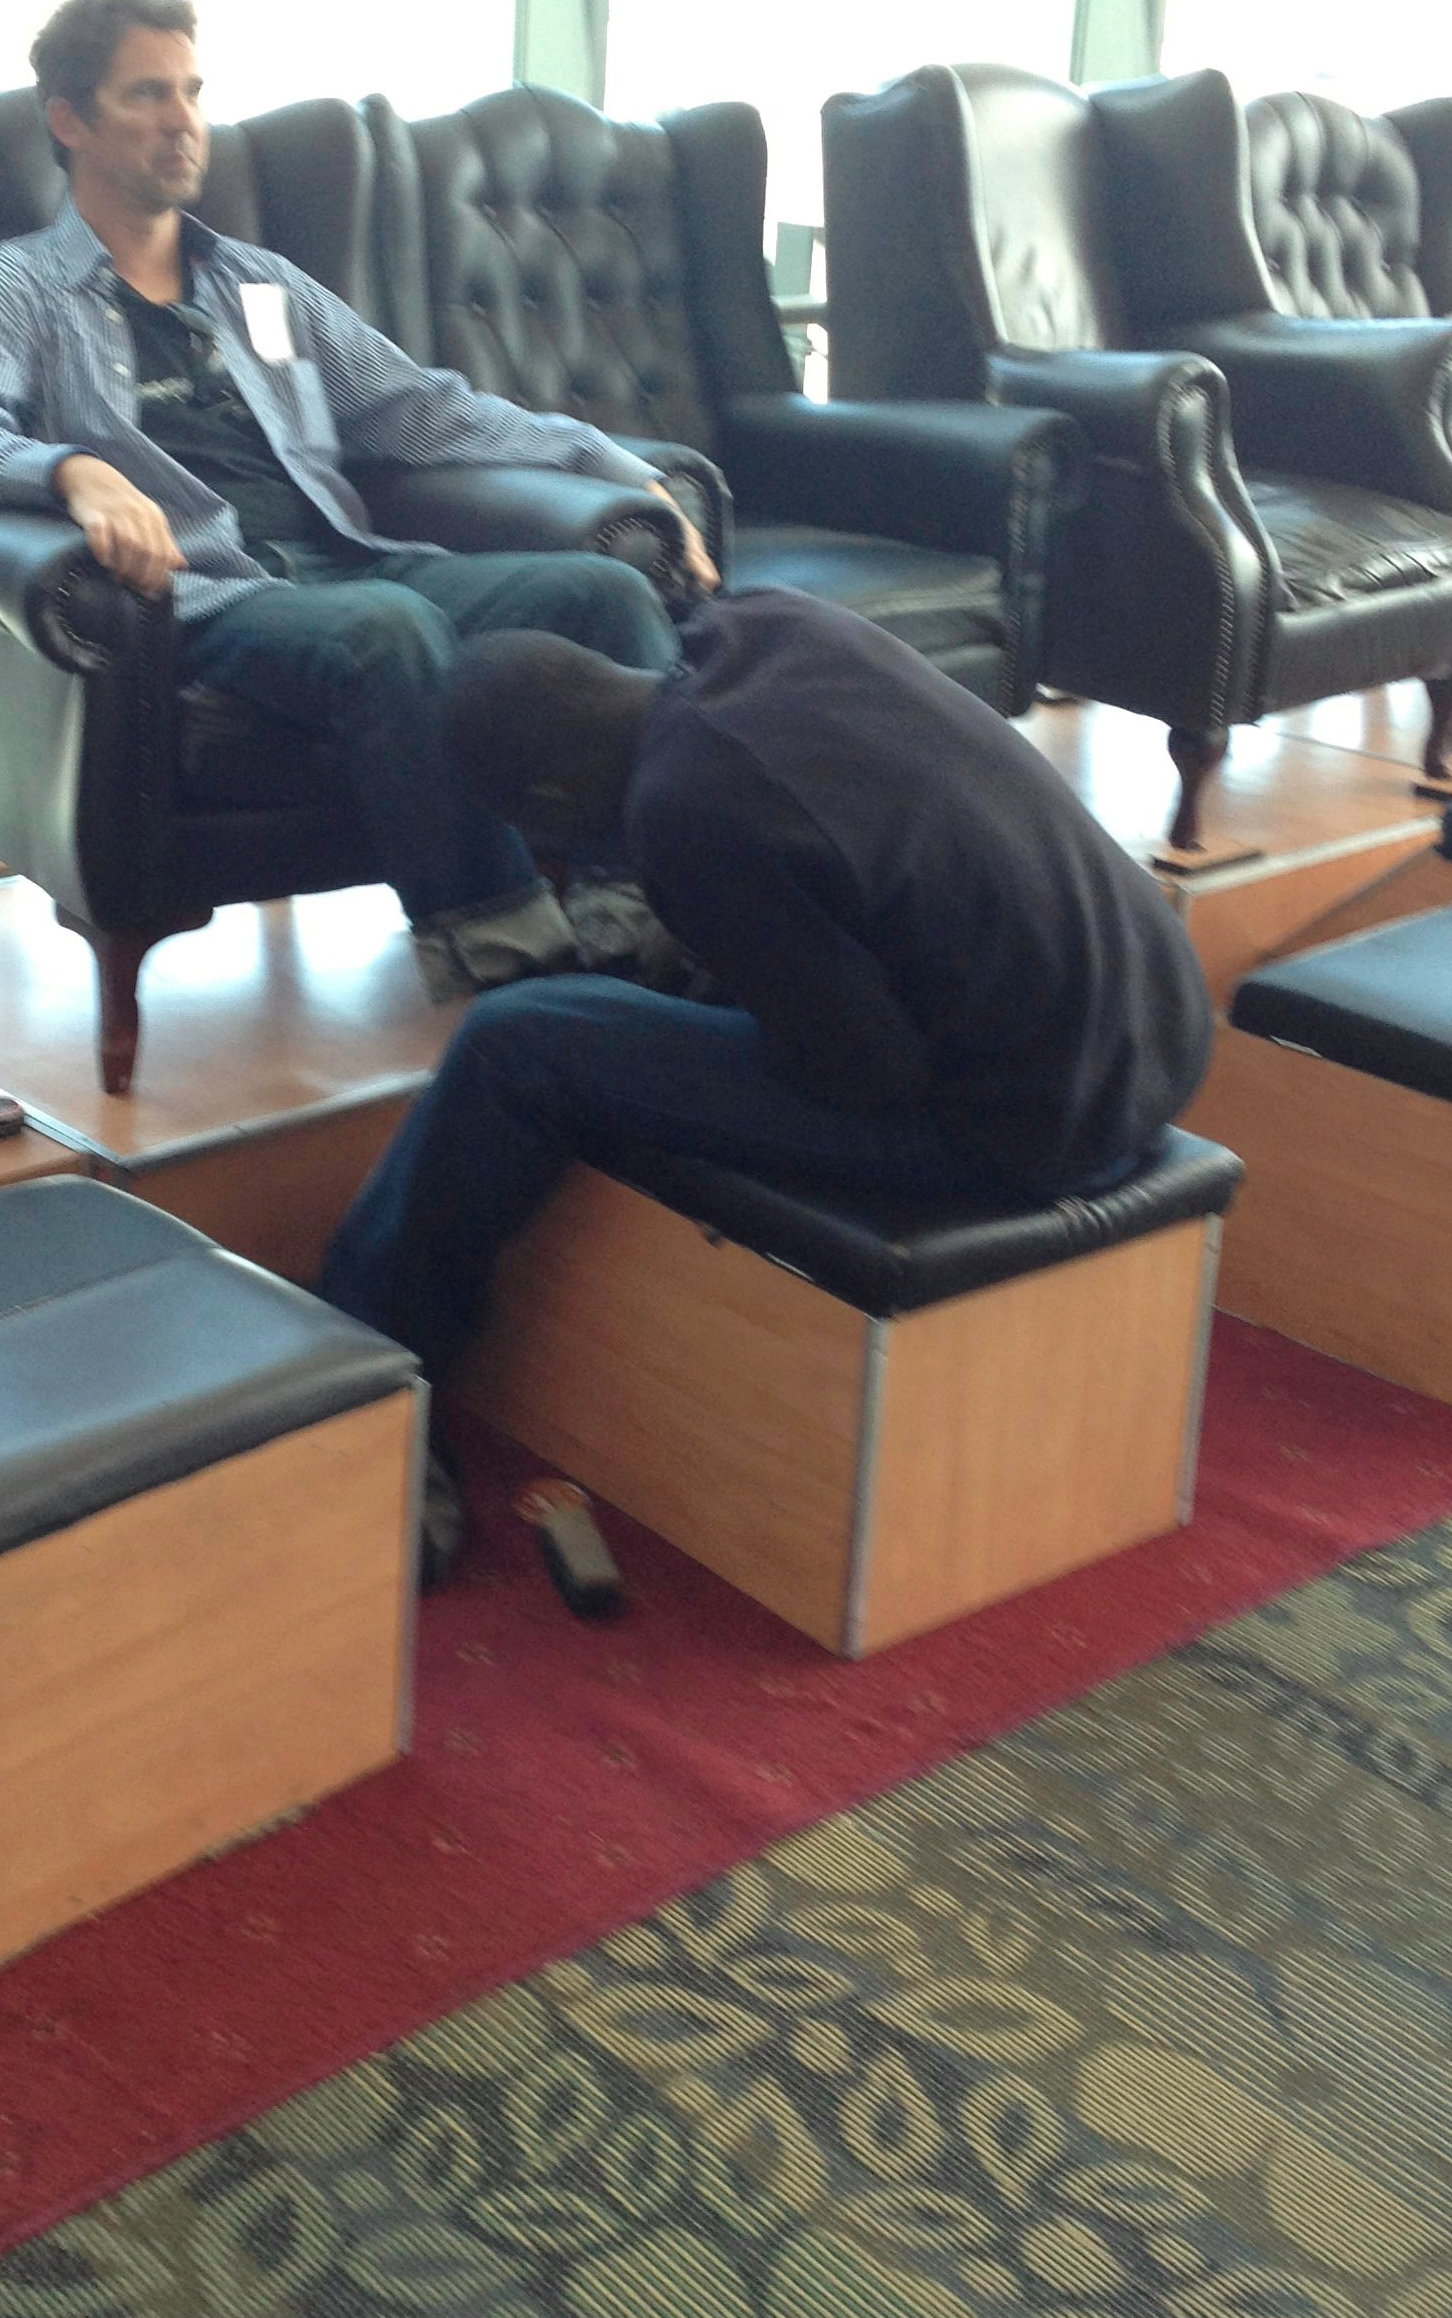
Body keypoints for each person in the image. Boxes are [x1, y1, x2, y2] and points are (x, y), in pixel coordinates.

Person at [319, 586, 1217, 1582]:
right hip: (1159, 1036)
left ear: (549, 808)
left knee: (513, 1042)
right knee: (629, 998)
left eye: (540, 837)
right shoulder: (772, 626)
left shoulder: (685, 810)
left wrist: (715, 982)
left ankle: (368, 1378)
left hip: (1030, 1130)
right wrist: (723, 964)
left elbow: (866, 1073)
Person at [0, 0, 719, 998]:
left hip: (346, 558)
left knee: (607, 593)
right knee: (386, 631)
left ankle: (649, 917)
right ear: (70, 122)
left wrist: (621, 466)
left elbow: (423, 407)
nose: (183, 121)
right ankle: (509, 953)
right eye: (147, 95)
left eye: (192, 92)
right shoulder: (15, 290)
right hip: (206, 595)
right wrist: (72, 470)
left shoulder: (259, 283)